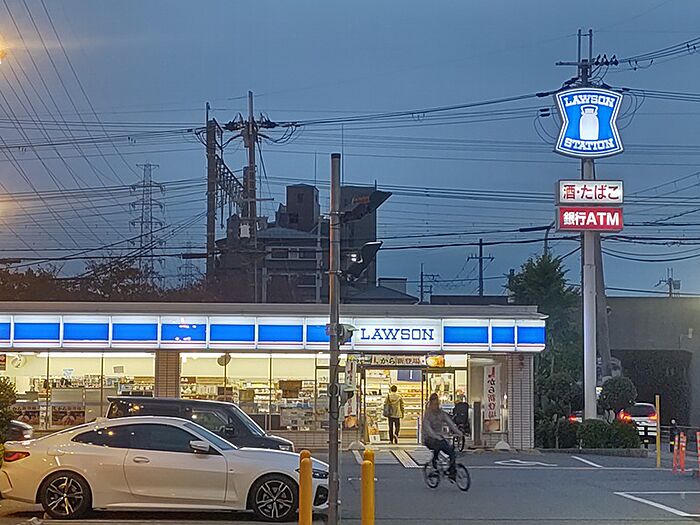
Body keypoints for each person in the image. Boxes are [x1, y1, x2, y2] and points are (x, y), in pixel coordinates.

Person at [423, 393, 462, 478]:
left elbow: (450, 423)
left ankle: (452, 472)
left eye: (437, 404)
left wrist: (458, 432)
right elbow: (427, 428)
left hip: (439, 437)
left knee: (451, 452)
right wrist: (435, 436)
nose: (436, 406)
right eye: (434, 404)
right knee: (438, 445)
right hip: (429, 438)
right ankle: (434, 466)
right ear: (430, 404)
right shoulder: (428, 414)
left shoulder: (441, 413)